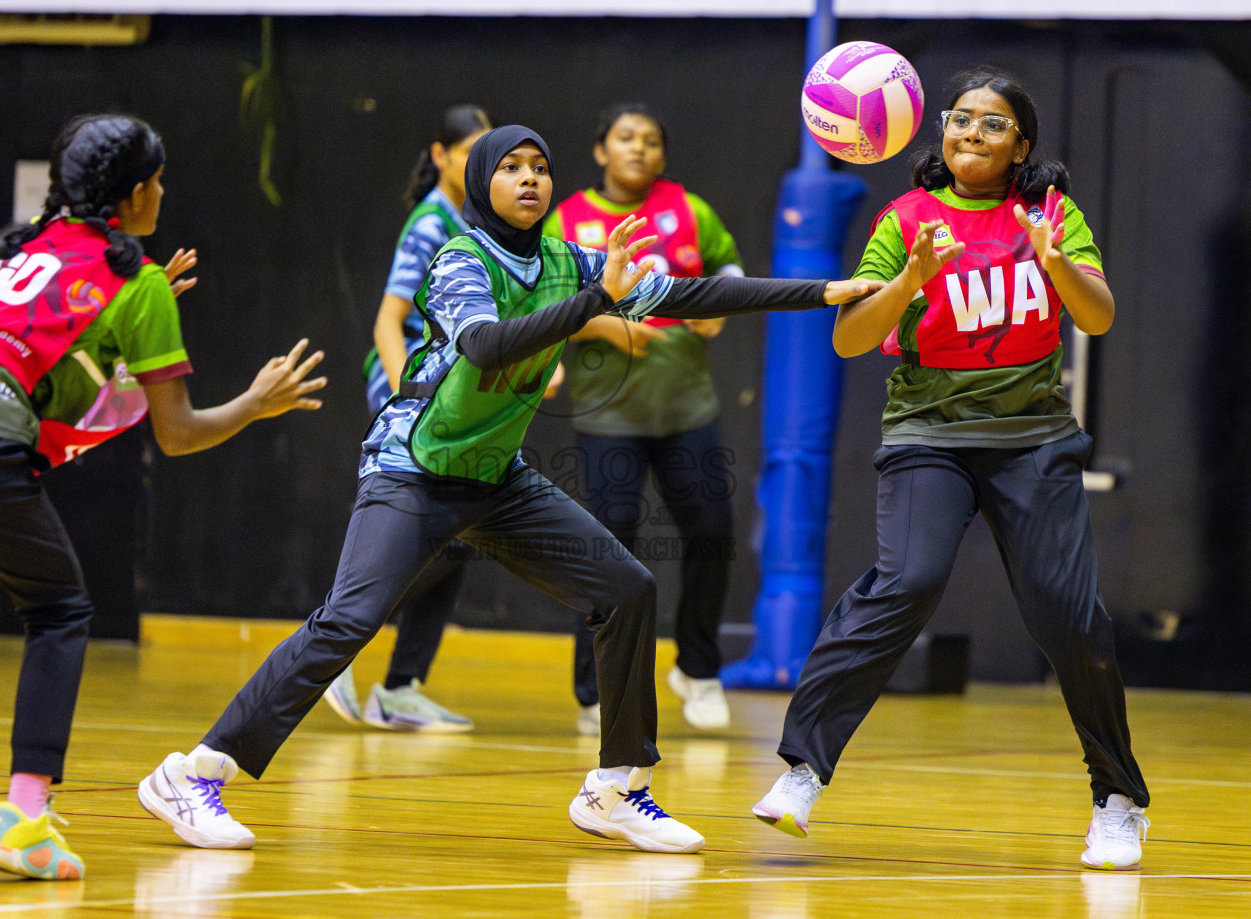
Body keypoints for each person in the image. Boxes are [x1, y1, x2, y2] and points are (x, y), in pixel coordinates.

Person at [136, 125, 881, 856]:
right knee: (348, 621)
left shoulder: (570, 260)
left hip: (496, 480)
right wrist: (597, 303)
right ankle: (192, 773)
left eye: (540, 167)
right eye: (512, 167)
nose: (530, 178)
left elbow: (691, 293)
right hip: (413, 470)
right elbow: (488, 345)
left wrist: (826, 291)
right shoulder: (460, 259)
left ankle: (616, 788)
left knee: (626, 587)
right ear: (484, 182)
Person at [0, 113, 326, 881]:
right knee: (58, 611)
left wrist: (139, 317)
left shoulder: (27, 243)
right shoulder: (139, 282)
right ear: (135, 193)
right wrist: (255, 402)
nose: (165, 190)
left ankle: (25, 819)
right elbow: (177, 434)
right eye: (159, 179)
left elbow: (69, 375)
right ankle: (22, 821)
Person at [750, 69, 1152, 871]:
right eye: (960, 119)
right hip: (928, 435)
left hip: (1032, 438)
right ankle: (802, 769)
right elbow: (850, 340)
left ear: (1021, 146)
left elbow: (1098, 316)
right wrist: (910, 283)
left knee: (1067, 618)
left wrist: (1055, 261)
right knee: (906, 582)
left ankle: (1117, 800)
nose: (971, 132)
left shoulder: (1048, 215)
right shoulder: (904, 220)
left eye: (993, 124)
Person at [545, 104, 743, 734]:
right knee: (610, 549)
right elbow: (541, 301)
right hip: (610, 419)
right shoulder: (569, 220)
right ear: (601, 150)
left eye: (652, 141)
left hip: (688, 409)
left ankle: (699, 669)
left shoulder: (688, 208)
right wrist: (605, 324)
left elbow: (728, 265)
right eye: (626, 138)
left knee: (712, 532)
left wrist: (724, 302)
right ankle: (594, 687)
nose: (640, 149)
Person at [322, 104, 491, 734]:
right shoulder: (430, 223)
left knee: (454, 537)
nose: (485, 163)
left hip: (457, 396)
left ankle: (399, 687)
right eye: (472, 150)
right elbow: (388, 322)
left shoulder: (478, 223)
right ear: (442, 155)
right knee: (422, 532)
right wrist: (406, 402)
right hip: (411, 392)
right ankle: (335, 637)